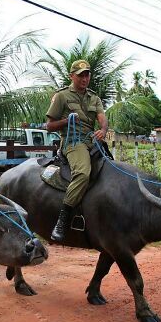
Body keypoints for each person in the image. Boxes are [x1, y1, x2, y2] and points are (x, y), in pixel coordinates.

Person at [45, 59, 108, 242]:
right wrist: (66, 121)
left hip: (92, 140)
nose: (85, 78)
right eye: (81, 75)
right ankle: (62, 221)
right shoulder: (62, 96)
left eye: (87, 74)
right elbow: (49, 126)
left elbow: (102, 118)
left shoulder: (93, 97)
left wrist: (103, 130)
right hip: (73, 142)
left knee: (111, 169)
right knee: (82, 173)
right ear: (71, 76)